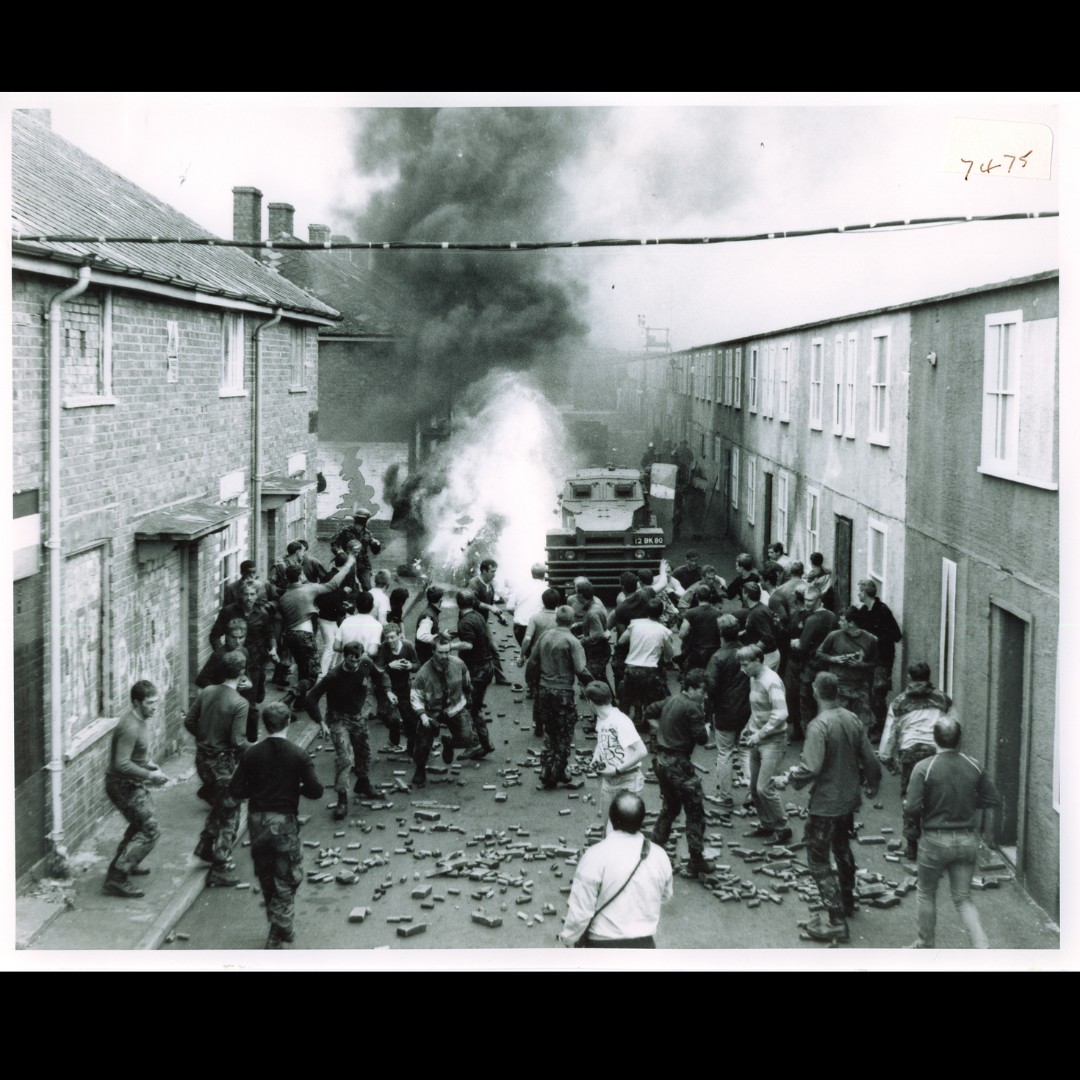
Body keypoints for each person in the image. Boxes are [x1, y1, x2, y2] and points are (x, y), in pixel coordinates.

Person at [771, 671, 881, 943]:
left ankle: (836, 921)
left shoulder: (818, 726)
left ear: (816, 692)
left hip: (826, 803)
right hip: (848, 799)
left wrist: (788, 779)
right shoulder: (852, 718)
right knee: (842, 847)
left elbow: (811, 766)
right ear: (838, 692)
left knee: (818, 859)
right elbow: (870, 757)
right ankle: (847, 899)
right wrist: (873, 782)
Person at [227, 701, 324, 948]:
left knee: (266, 874)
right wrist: (297, 788)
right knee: (289, 876)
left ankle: (280, 926)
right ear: (288, 722)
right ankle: (280, 927)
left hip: (257, 822)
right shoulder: (298, 755)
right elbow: (316, 790)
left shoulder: (251, 754)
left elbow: (235, 789)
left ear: (265, 725)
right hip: (283, 823)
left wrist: (256, 790)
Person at [903, 716, 1001, 949]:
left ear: (934, 738)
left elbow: (912, 808)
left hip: (935, 840)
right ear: (960, 739)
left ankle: (925, 942)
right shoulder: (974, 765)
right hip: (967, 839)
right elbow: (992, 799)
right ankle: (982, 947)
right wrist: (968, 803)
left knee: (926, 893)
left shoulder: (924, 768)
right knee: (963, 898)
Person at [558, 792, 673, 948]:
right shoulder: (659, 855)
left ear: (611, 819)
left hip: (601, 944)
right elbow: (665, 896)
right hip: (644, 945)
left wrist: (568, 940)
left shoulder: (594, 855)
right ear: (641, 821)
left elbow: (580, 912)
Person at [305, 641, 394, 815]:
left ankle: (363, 783)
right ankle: (342, 798)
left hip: (357, 715)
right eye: (351, 661)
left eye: (357, 661)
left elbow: (381, 675)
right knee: (344, 758)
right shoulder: (333, 676)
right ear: (344, 657)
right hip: (338, 718)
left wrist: (388, 691)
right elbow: (311, 698)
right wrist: (321, 723)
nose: (355, 665)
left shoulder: (366, 663)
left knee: (364, 751)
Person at [879, 662, 956, 860]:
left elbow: (890, 733)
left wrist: (887, 760)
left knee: (911, 799)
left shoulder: (899, 702)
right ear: (929, 676)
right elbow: (952, 725)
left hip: (910, 754)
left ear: (909, 677)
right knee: (937, 798)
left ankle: (912, 846)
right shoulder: (943, 699)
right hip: (936, 752)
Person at [185, 651, 249, 887]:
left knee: (221, 803)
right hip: (222, 763)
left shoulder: (207, 692)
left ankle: (205, 845)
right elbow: (238, 741)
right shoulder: (239, 703)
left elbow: (189, 721)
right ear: (242, 672)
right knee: (231, 811)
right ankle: (220, 865)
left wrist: (205, 738)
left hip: (202, 759)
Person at [102, 680, 169, 898]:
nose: (154, 707)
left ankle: (127, 862)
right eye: (149, 703)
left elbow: (134, 755)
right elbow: (121, 763)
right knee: (150, 830)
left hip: (130, 783)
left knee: (139, 824)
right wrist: (150, 776)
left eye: (156, 702)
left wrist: (148, 764)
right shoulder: (130, 726)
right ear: (136, 703)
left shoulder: (141, 720)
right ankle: (117, 877)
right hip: (122, 786)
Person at [647, 669, 715, 878]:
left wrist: (660, 729)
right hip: (679, 764)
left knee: (671, 807)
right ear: (691, 688)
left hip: (661, 761)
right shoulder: (694, 707)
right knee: (695, 811)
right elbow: (702, 739)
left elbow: (649, 710)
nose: (705, 696)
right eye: (702, 691)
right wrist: (706, 727)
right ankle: (696, 861)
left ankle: (652, 852)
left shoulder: (671, 700)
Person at [280, 548, 357, 698]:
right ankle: (289, 697)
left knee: (302, 669)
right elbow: (332, 585)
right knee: (312, 674)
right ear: (300, 576)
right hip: (304, 636)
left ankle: (300, 701)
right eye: (303, 574)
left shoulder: (284, 597)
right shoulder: (309, 589)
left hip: (289, 636)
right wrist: (348, 565)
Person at [530, 605, 592, 789]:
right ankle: (558, 771)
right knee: (564, 733)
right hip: (563, 691)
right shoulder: (572, 641)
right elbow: (580, 669)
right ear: (572, 621)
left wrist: (534, 684)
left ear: (556, 619)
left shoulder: (545, 636)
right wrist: (593, 685)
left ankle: (545, 768)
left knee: (550, 731)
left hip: (544, 689)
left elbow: (533, 661)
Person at [410, 632, 484, 781]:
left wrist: (468, 698)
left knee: (467, 738)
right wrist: (423, 716)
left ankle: (448, 743)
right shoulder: (423, 674)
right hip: (431, 710)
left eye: (447, 652)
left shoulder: (458, 664)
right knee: (423, 744)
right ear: (433, 651)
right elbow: (415, 697)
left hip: (455, 707)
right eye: (441, 652)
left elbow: (466, 682)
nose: (445, 656)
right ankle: (420, 769)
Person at [737, 644, 791, 844]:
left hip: (773, 741)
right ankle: (766, 824)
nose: (743, 669)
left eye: (745, 664)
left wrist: (759, 734)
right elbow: (758, 709)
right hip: (757, 737)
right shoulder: (754, 677)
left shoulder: (771, 681)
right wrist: (748, 727)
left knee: (764, 788)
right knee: (754, 788)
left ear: (758, 661)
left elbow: (781, 713)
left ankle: (783, 827)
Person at [704, 615, 751, 822]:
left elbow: (710, 687)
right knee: (745, 751)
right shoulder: (747, 651)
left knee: (725, 753)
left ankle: (725, 796)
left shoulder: (718, 657)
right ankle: (753, 793)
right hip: (746, 708)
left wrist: (707, 714)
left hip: (725, 710)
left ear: (720, 633)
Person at [586, 681, 648, 830]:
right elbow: (601, 740)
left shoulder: (621, 721)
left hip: (628, 780)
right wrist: (596, 756)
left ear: (590, 702)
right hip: (608, 782)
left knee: (625, 830)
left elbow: (642, 751)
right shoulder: (602, 718)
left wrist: (617, 770)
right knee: (608, 828)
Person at [852, 579, 903, 737]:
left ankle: (882, 728)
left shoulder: (882, 611)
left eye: (860, 591)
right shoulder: (863, 611)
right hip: (869, 659)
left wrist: (877, 639)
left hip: (882, 659)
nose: (858, 594)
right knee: (869, 693)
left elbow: (896, 635)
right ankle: (877, 725)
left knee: (877, 694)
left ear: (866, 593)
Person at [617, 596, 675, 733]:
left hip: (631, 667)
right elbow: (670, 654)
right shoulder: (663, 630)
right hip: (650, 669)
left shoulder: (635, 624)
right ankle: (652, 732)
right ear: (661, 613)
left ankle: (622, 729)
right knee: (652, 702)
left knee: (627, 699)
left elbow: (621, 641)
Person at [451, 590, 497, 755]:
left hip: (477, 670)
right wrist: (456, 635)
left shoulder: (465, 621)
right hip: (486, 667)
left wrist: (449, 646)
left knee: (470, 708)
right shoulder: (477, 616)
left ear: (458, 604)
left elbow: (468, 644)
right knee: (475, 707)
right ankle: (485, 744)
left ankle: (476, 743)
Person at [816, 606, 878, 729]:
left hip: (860, 688)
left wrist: (860, 665)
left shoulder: (870, 639)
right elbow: (819, 653)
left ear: (851, 623)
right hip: (839, 688)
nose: (839, 622)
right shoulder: (834, 636)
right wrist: (834, 659)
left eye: (842, 620)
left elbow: (875, 663)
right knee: (838, 726)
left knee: (862, 726)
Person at [791, 586, 838, 729]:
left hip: (812, 666)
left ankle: (810, 734)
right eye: (805, 599)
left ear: (818, 601)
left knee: (807, 702)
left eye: (810, 600)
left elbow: (802, 646)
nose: (806, 603)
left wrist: (795, 643)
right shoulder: (832, 616)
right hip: (828, 665)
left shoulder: (812, 619)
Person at [374, 622, 421, 753]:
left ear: (400, 635)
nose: (390, 641)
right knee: (393, 719)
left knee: (410, 718)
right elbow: (378, 670)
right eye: (387, 638)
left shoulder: (407, 646)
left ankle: (412, 747)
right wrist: (390, 666)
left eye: (393, 637)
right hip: (387, 690)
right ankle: (393, 742)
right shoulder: (383, 648)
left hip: (404, 687)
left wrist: (410, 666)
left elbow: (417, 664)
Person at [330, 507, 381, 590]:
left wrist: (376, 545)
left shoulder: (367, 533)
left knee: (367, 587)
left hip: (363, 564)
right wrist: (339, 552)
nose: (369, 522)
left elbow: (375, 551)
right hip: (347, 563)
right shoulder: (346, 531)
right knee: (348, 588)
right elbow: (334, 543)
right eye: (368, 520)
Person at [677, 584, 723, 672]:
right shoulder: (718, 613)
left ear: (696, 596)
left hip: (696, 650)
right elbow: (722, 632)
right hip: (714, 649)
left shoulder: (690, 613)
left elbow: (681, 634)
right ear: (710, 596)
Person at [333, 589, 383, 664]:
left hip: (346, 663)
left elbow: (336, 646)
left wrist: (349, 651)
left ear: (356, 605)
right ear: (372, 606)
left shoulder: (346, 621)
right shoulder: (377, 625)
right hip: (363, 665)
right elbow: (372, 651)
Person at [512, 563, 548, 649]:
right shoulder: (546, 589)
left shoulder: (519, 587)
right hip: (537, 629)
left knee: (527, 653)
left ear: (532, 573)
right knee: (536, 653)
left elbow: (509, 607)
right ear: (544, 574)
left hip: (519, 628)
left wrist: (519, 614)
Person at [414, 585, 445, 666]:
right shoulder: (428, 616)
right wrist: (439, 637)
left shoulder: (430, 611)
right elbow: (421, 635)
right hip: (425, 656)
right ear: (440, 600)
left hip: (426, 654)